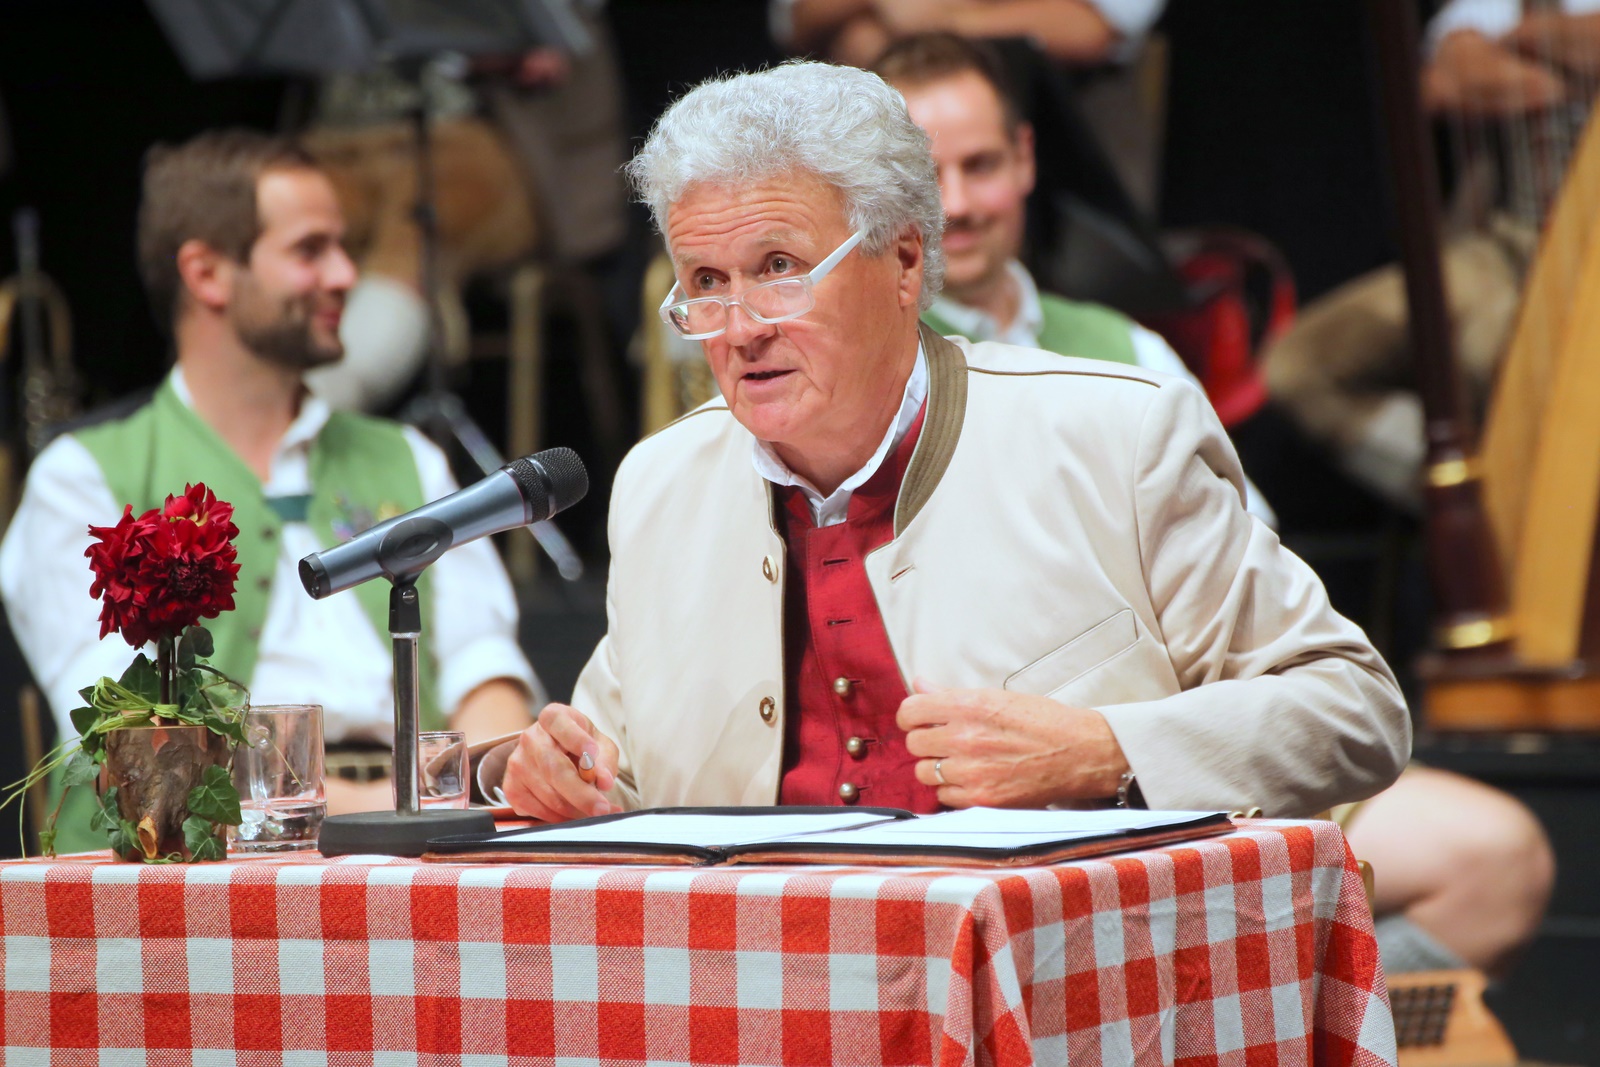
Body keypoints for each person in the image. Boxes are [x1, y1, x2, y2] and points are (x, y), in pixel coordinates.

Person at [496, 60, 1408, 832]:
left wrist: (1107, 751)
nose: (739, 328)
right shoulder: (661, 484)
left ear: (903, 262)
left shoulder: (1113, 438)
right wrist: (553, 779)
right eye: (705, 282)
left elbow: (1355, 710)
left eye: (779, 270)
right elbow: (616, 773)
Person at [0, 130, 541, 845]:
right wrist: (382, 804)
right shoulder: (84, 477)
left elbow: (483, 668)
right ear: (207, 274)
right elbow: (126, 745)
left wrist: (502, 771)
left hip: (415, 842)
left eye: (344, 247)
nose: (346, 274)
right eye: (310, 250)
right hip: (196, 873)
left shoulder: (408, 459)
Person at [872, 32, 1274, 526]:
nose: (956, 204)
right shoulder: (867, 370)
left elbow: (1245, 529)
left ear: (1024, 158)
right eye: (925, 176)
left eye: (980, 165)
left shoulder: (1129, 350)